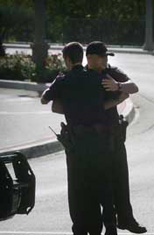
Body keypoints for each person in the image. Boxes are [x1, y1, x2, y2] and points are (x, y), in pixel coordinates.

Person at [41, 42, 118, 235]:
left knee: (79, 190)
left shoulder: (63, 79)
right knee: (103, 185)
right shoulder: (97, 77)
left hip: (77, 144)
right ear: (82, 58)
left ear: (67, 59)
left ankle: (83, 229)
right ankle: (110, 227)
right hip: (99, 142)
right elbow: (118, 94)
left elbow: (46, 99)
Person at [86, 41, 146, 234]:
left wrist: (118, 85)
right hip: (94, 139)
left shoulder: (111, 73)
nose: (105, 60)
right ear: (91, 58)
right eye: (101, 57)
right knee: (102, 184)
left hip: (114, 136)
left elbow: (134, 87)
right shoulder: (83, 77)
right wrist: (113, 102)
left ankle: (126, 219)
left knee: (121, 179)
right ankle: (108, 224)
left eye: (106, 57)